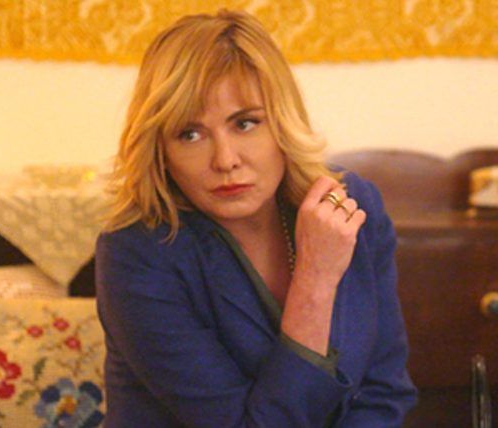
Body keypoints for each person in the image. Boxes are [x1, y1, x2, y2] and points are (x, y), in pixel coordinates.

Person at [96, 9, 417, 427]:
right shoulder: (138, 252)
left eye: (245, 123)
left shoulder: (351, 206)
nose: (225, 160)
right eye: (190, 134)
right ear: (161, 149)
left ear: (283, 121)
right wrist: (315, 280)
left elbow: (383, 391)